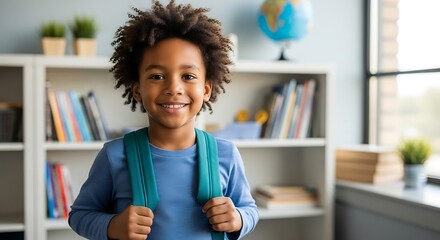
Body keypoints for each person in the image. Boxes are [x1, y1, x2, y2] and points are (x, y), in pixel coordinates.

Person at [68, 0, 259, 239]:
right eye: (157, 76)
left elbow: (250, 209)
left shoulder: (227, 154)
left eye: (188, 76)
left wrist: (238, 219)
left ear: (207, 89)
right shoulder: (113, 156)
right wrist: (112, 226)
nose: (173, 88)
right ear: (137, 89)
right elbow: (80, 215)